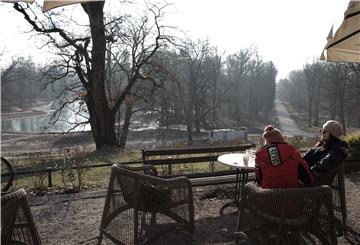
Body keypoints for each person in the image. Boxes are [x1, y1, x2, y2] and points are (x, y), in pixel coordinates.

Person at [303, 120, 349, 184]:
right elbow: (306, 157)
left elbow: (325, 165)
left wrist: (309, 168)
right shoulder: (325, 145)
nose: (322, 133)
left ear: (333, 134)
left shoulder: (337, 149)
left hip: (313, 178)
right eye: (322, 130)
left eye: (325, 131)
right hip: (308, 174)